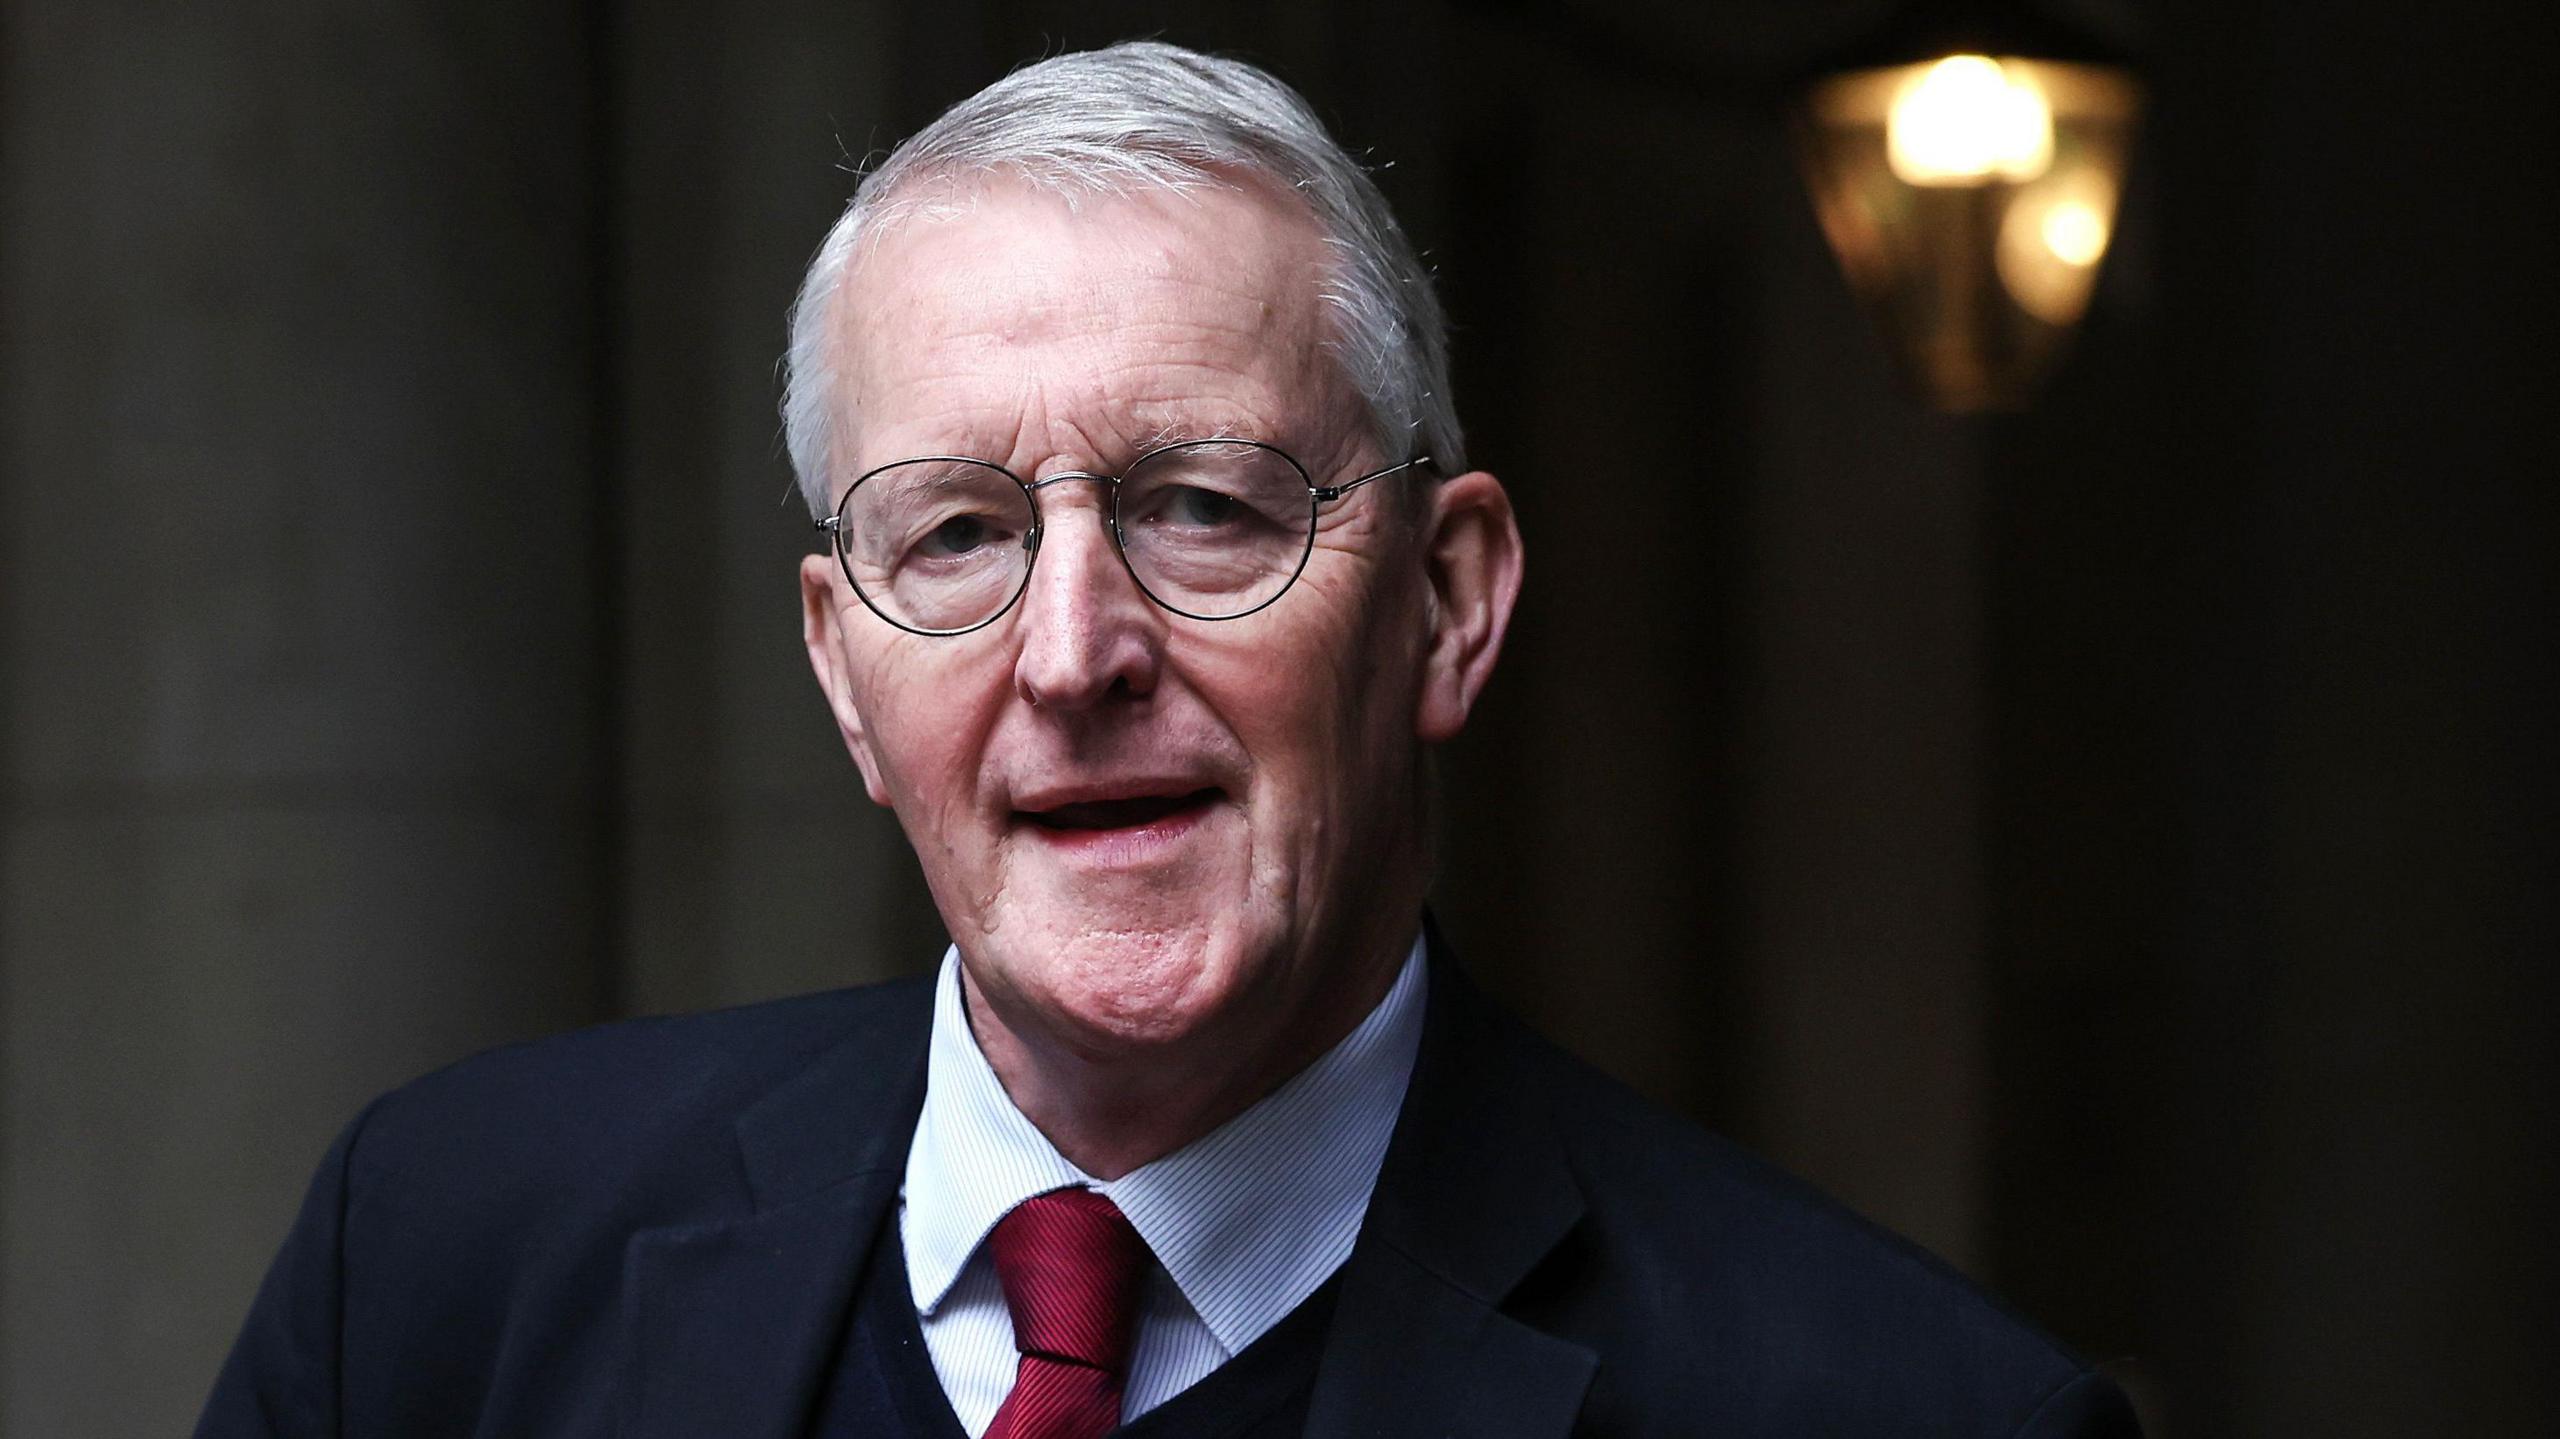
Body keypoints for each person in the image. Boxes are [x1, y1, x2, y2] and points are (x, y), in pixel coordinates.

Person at [198, 41, 2139, 1439]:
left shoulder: (1895, 1410)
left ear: (1446, 608)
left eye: (1201, 505)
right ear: (839, 671)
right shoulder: (440, 1265)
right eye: (954, 533)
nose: (1069, 653)